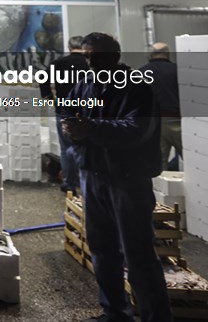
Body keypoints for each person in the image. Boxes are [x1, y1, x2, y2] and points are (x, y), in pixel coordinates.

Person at [62, 32, 172, 322]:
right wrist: (73, 132)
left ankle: (155, 317)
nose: (88, 62)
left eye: (94, 56)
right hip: (93, 176)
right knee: (102, 249)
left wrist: (91, 130)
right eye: (85, 56)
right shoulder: (85, 84)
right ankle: (114, 313)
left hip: (126, 179)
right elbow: (74, 117)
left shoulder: (136, 86)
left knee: (137, 254)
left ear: (113, 56)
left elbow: (136, 129)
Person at [39, 35, 87, 193]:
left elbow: (43, 79)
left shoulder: (59, 63)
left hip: (64, 108)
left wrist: (49, 98)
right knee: (87, 146)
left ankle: (69, 184)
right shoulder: (89, 63)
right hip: (87, 109)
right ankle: (86, 182)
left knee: (66, 148)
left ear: (69, 47)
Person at [140, 42, 181, 171]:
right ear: (167, 54)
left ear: (150, 55)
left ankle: (162, 190)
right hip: (178, 122)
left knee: (159, 164)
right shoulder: (178, 71)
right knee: (193, 160)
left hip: (153, 124)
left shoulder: (140, 73)